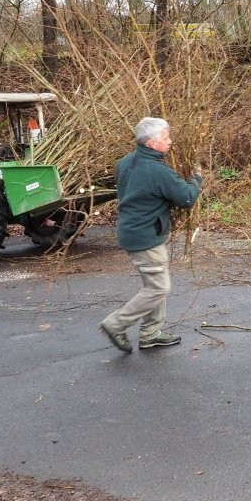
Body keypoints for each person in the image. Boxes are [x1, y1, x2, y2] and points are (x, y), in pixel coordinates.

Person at [100, 117, 203, 353]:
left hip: (131, 230)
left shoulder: (125, 163)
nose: (170, 141)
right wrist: (196, 178)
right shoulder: (158, 171)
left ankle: (150, 333)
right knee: (159, 288)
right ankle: (115, 324)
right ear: (151, 143)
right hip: (145, 236)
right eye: (165, 138)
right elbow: (187, 198)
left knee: (153, 283)